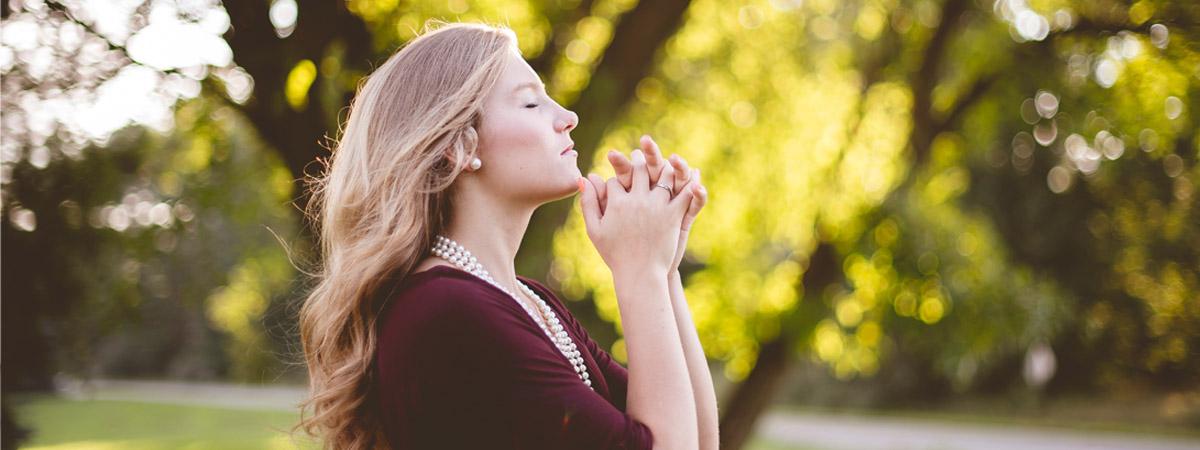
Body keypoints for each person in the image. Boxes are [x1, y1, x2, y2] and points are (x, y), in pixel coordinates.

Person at [295, 21, 717, 449]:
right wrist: (639, 269)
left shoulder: (528, 301)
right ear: (458, 147)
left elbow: (698, 441)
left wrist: (663, 268)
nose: (568, 117)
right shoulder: (449, 311)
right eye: (532, 104)